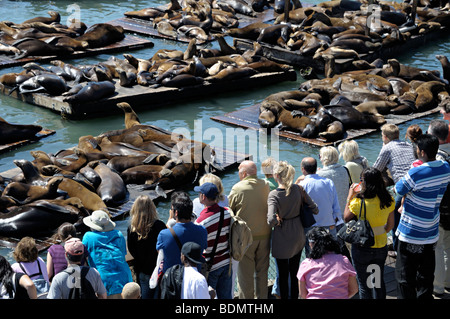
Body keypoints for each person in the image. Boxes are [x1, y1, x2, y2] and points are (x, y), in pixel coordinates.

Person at [395, 134, 450, 299]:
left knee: (404, 277)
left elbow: (399, 188)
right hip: (431, 231)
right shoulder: (446, 168)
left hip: (411, 233)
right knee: (425, 276)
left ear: (422, 152)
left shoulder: (417, 172)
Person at [267, 161, 318, 299]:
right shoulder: (298, 189)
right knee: (295, 271)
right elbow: (315, 208)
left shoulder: (274, 195)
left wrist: (278, 219)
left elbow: (270, 220)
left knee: (283, 275)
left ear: (276, 175)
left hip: (282, 237)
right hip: (298, 234)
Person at [344, 167, 395, 299]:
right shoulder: (388, 200)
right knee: (377, 282)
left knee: (364, 284)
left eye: (362, 180)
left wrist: (350, 196)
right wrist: (379, 232)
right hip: (380, 246)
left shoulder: (358, 202)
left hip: (362, 247)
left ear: (365, 183)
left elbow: (346, 217)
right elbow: (390, 226)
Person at [228, 160, 271, 299]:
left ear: (244, 173)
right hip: (265, 236)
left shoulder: (237, 188)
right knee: (262, 273)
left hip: (246, 239)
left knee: (245, 277)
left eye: (240, 172)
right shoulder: (265, 185)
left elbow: (229, 211)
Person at [373, 124, 416, 256]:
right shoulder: (409, 145)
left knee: (394, 215)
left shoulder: (387, 147)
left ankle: (397, 248)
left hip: (403, 186)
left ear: (385, 137)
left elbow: (376, 169)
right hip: (416, 183)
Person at [82, 210, 133, 299]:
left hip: (104, 280)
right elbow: (123, 254)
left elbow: (83, 256)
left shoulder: (88, 237)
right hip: (124, 277)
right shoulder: (118, 234)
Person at [195, 182, 232, 299]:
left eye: (200, 193)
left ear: (204, 197)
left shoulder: (200, 222)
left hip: (211, 265)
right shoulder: (227, 213)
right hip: (226, 261)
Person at [297, 227, 358, 299]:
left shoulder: (306, 264)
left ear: (312, 244)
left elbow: (302, 294)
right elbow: (354, 289)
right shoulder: (343, 260)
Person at [156, 191, 208, 274]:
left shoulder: (164, 234)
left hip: (172, 280)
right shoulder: (202, 231)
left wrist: (169, 222)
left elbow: (161, 254)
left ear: (176, 213)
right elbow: (204, 247)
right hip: (194, 276)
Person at [127, 195, 166, 299]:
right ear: (152, 208)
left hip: (142, 270)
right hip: (158, 270)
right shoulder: (159, 225)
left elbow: (131, 249)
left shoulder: (132, 229)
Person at [427, 120, 450, 296]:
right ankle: (448, 281)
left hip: (442, 210)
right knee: (448, 247)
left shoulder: (439, 158)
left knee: (438, 248)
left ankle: (438, 286)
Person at [297, 157, 342, 239]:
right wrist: (335, 220)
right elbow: (336, 206)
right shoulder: (328, 182)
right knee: (331, 251)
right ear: (316, 168)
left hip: (311, 226)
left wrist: (296, 181)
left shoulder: (302, 185)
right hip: (329, 224)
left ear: (303, 169)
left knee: (312, 251)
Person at [317, 146, 350, 227]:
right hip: (343, 212)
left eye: (320, 156)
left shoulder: (320, 174)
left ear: (325, 158)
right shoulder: (344, 169)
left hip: (329, 217)